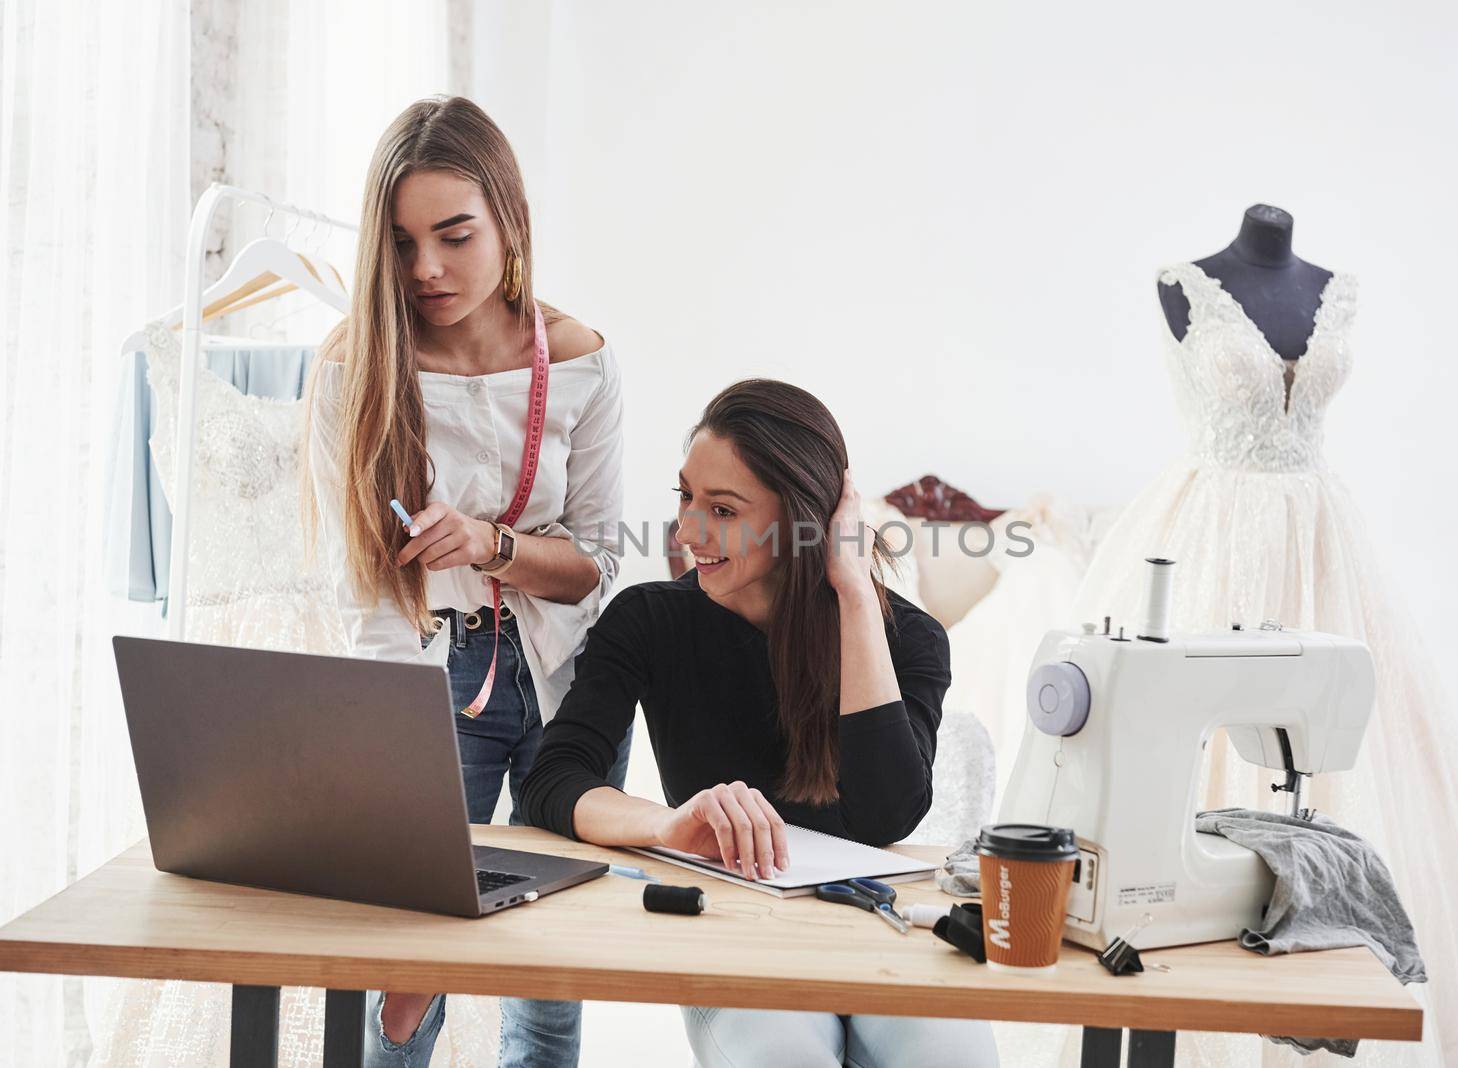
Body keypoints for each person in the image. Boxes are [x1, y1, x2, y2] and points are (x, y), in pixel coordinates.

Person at [520, 378, 999, 1067]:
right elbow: (552, 782)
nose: (687, 530)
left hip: (873, 926)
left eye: (722, 508)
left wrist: (855, 593)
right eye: (686, 497)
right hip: (735, 932)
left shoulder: (909, 639)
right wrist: (669, 824)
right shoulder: (650, 621)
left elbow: (884, 814)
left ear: (802, 519)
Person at [302, 94, 629, 1068]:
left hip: (569, 682)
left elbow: (593, 572)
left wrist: (490, 544)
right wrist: (384, 735)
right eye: (400, 244)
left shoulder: (582, 363)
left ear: (510, 223)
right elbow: (360, 593)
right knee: (409, 975)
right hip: (427, 675)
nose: (426, 270)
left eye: (453, 235)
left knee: (550, 969)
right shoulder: (353, 372)